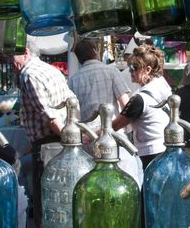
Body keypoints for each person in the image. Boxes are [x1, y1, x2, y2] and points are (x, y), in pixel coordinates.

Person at [13, 36, 75, 227]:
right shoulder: (51, 70)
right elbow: (72, 101)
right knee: (62, 201)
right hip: (61, 141)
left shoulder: (28, 74)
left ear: (25, 52)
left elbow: (48, 115)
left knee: (47, 203)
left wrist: (67, 137)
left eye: (11, 56)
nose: (10, 62)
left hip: (50, 145)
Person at [68, 39, 143, 185]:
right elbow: (126, 104)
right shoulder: (111, 71)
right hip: (113, 138)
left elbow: (74, 116)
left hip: (88, 141)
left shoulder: (73, 80)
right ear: (96, 51)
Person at [112, 45, 171, 169]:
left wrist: (88, 135)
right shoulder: (164, 88)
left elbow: (114, 126)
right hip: (166, 149)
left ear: (147, 69)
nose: (130, 71)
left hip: (150, 153)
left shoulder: (140, 99)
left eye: (134, 67)